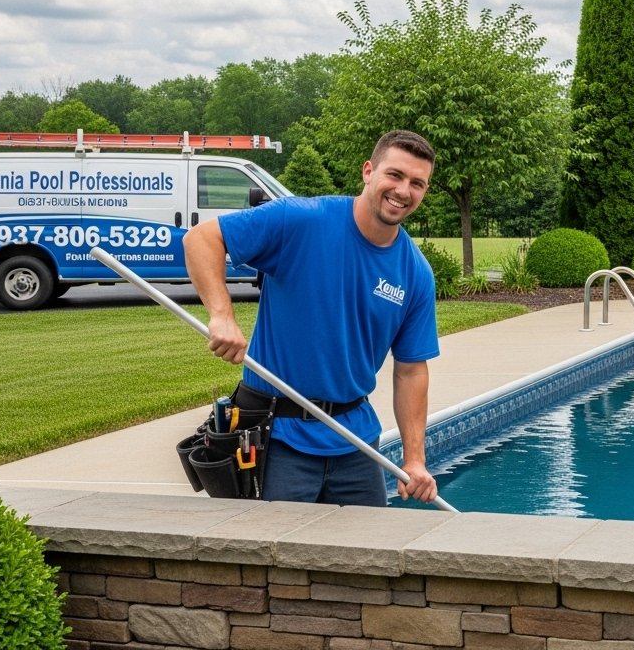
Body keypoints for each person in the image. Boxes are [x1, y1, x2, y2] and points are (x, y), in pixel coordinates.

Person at [184, 129, 441, 506]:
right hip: (278, 435)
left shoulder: (416, 273)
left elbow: (411, 370)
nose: (404, 190)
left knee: (369, 556)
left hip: (355, 440)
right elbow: (202, 239)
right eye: (395, 175)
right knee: (274, 557)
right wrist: (222, 315)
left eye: (417, 183)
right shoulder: (301, 221)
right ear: (368, 171)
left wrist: (415, 459)